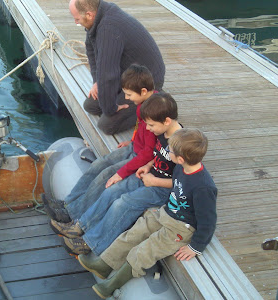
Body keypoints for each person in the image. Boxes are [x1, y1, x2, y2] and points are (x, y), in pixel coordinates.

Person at [78, 128, 217, 299]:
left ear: (180, 158)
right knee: (135, 232)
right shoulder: (181, 168)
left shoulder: (204, 187)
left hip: (181, 228)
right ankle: (103, 265)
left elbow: (208, 221)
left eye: (170, 151)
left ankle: (111, 285)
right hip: (167, 213)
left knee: (145, 250)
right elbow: (177, 186)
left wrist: (196, 247)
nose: (167, 151)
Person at [51, 92, 182, 256]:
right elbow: (157, 155)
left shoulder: (181, 146)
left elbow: (181, 183)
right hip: (149, 175)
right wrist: (148, 166)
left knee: (123, 203)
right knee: (112, 190)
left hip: (161, 188)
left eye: (151, 125)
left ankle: (91, 242)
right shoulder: (162, 132)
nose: (148, 129)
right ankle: (80, 226)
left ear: (167, 121)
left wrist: (154, 180)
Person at [44, 64, 158, 223]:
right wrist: (132, 140)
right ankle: (68, 202)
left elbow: (149, 152)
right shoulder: (142, 105)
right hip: (134, 147)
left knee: (106, 175)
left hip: (141, 157)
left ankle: (72, 213)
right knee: (100, 164)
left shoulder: (154, 112)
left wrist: (122, 173)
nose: (126, 98)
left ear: (144, 91)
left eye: (129, 94)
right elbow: (140, 128)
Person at [69, 0, 165, 135]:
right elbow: (90, 50)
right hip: (127, 73)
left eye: (77, 19)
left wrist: (110, 109)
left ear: (89, 15)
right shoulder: (100, 15)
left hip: (146, 81)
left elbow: (108, 74)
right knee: (90, 106)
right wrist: (96, 81)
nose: (76, 23)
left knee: (107, 125)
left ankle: (157, 97)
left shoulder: (108, 29)